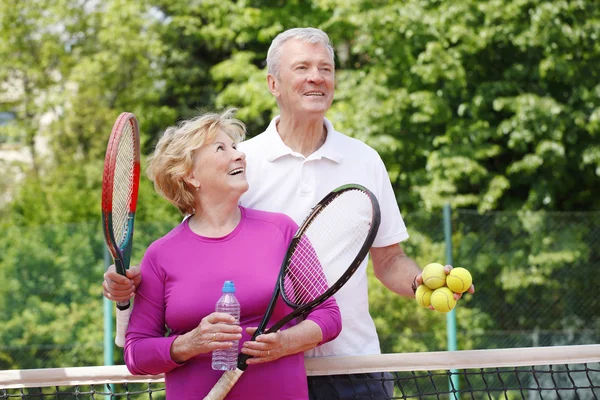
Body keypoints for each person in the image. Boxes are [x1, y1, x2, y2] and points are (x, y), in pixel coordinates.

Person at [105, 28, 475, 399]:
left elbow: (389, 258)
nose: (317, 77)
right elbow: (201, 250)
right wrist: (135, 284)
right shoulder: (240, 163)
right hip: (261, 374)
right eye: (302, 67)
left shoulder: (365, 160)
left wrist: (420, 284)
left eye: (326, 69)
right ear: (273, 83)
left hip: (352, 363)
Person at [122, 109, 341, 399]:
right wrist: (189, 343)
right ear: (190, 175)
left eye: (235, 147)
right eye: (221, 148)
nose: (239, 155)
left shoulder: (281, 230)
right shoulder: (161, 254)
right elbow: (136, 353)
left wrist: (285, 342)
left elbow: (329, 315)